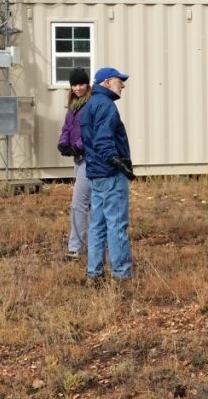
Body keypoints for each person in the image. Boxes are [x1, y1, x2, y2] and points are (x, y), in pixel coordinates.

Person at [78, 67, 136, 284]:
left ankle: (94, 272)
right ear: (107, 82)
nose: (123, 85)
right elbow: (103, 140)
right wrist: (118, 162)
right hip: (110, 174)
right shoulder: (106, 105)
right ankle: (121, 274)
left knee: (97, 224)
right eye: (120, 81)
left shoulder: (90, 105)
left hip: (94, 173)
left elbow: (89, 141)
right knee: (116, 224)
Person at [57, 67, 92, 261]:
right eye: (74, 84)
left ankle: (76, 248)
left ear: (87, 85)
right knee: (91, 205)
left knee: (79, 204)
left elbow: (91, 132)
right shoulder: (73, 106)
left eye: (81, 84)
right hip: (79, 160)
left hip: (88, 159)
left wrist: (78, 147)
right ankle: (90, 247)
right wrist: (63, 143)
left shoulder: (91, 104)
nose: (78, 87)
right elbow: (67, 128)